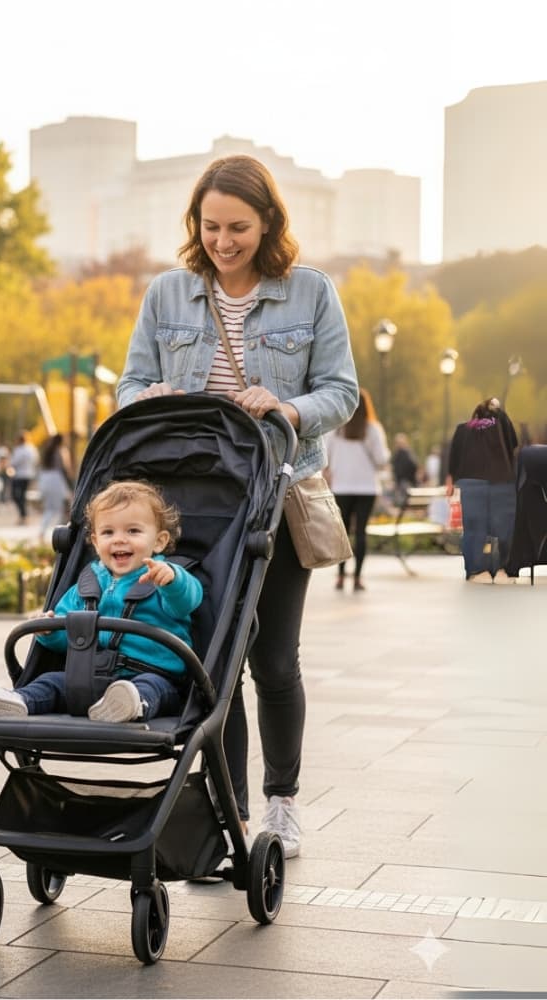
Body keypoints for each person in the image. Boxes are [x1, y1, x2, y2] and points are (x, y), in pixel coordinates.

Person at [115, 153, 358, 858]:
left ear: (269, 222)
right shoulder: (167, 294)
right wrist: (147, 399)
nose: (223, 242)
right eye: (211, 226)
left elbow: (340, 390)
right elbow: (130, 384)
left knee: (274, 660)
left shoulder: (309, 292)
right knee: (217, 661)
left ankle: (282, 803)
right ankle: (234, 810)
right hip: (193, 505)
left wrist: (286, 406)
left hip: (276, 497)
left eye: (239, 229)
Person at [0, 480, 203, 722]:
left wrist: (173, 581)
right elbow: (68, 636)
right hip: (87, 679)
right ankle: (16, 701)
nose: (119, 539)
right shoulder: (85, 586)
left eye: (133, 531)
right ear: (95, 542)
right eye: (108, 532)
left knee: (150, 687)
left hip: (155, 677)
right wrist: (49, 632)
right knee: (51, 681)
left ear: (159, 541)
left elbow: (187, 601)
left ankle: (131, 705)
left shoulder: (163, 577)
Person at [446, 396, 519, 582]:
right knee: (504, 528)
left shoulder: (464, 429)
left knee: (473, 528)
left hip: (471, 482)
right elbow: (514, 445)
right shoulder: (501, 424)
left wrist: (451, 480)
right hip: (501, 481)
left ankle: (475, 569)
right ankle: (502, 566)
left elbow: (454, 456)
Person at [325, 388, 390, 592]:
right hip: (367, 487)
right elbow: (381, 460)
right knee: (361, 532)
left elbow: (325, 458)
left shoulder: (336, 429)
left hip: (342, 486)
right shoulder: (372, 429)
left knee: (342, 532)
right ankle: (358, 578)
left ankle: (341, 576)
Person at [38, 433, 73, 540]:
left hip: (44, 479)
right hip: (57, 480)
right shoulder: (61, 451)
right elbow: (64, 469)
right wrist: (71, 485)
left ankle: (42, 532)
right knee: (60, 508)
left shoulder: (48, 451)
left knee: (49, 508)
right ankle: (59, 534)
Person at [10, 430, 39, 524]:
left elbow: (14, 462)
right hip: (29, 474)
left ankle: (23, 516)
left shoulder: (19, 450)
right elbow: (36, 460)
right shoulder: (32, 449)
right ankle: (24, 516)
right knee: (22, 496)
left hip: (19, 475)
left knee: (16, 496)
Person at [390, 432, 420, 505]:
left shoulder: (403, 453)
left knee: (403, 501)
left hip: (404, 481)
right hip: (403, 481)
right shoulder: (407, 453)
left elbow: (413, 466)